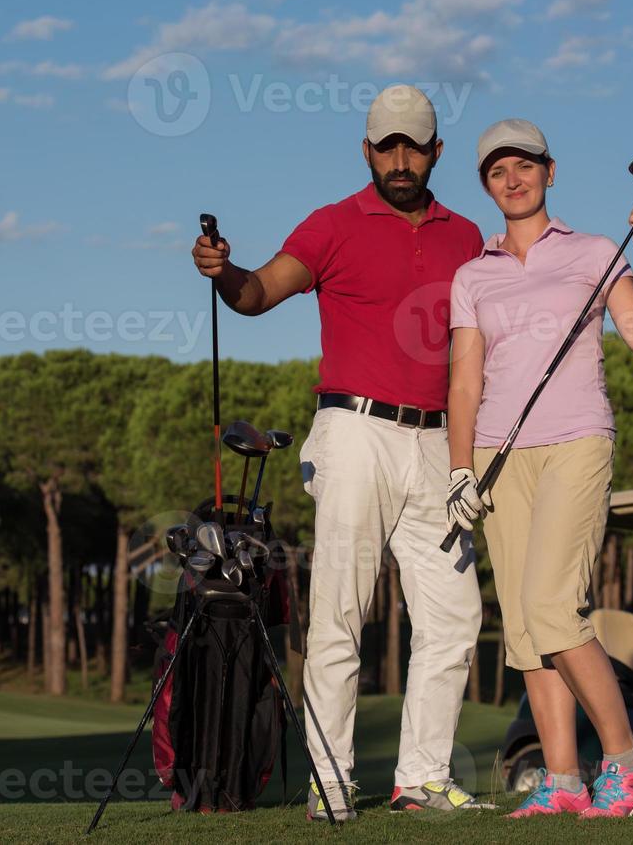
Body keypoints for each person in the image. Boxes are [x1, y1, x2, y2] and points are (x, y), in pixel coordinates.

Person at [191, 85, 486, 821]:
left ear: (435, 151)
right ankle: (330, 781)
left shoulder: (467, 237)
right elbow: (257, 293)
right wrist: (223, 270)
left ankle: (421, 778)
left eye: (412, 144)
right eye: (385, 144)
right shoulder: (331, 224)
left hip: (438, 443)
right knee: (338, 614)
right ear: (366, 150)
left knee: (454, 617)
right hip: (354, 433)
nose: (398, 157)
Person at [445, 119, 633, 819]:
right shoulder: (471, 274)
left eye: (524, 166)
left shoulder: (597, 252)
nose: (511, 180)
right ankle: (564, 781)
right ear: (485, 184)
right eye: (495, 171)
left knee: (551, 606)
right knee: (523, 628)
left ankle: (628, 763)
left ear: (549, 172)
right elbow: (462, 381)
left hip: (575, 441)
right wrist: (458, 471)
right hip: (495, 458)